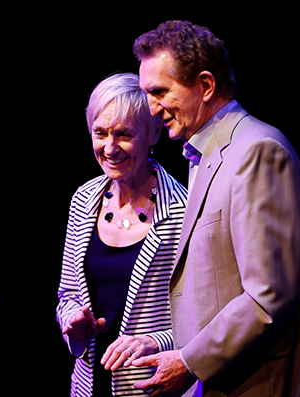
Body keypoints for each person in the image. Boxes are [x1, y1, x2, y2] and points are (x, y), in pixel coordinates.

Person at [131, 21, 300, 396]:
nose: (150, 107)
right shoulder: (204, 153)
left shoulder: (256, 151)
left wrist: (189, 362)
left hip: (261, 384)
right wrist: (166, 346)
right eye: (146, 93)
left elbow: (268, 295)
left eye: (159, 92)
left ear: (205, 86)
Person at [56, 72, 188, 397]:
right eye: (99, 133)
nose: (110, 148)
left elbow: (205, 320)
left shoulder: (184, 211)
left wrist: (153, 341)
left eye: (125, 135)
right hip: (88, 387)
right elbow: (67, 295)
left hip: (151, 387)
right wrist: (74, 322)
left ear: (154, 132)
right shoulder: (84, 200)